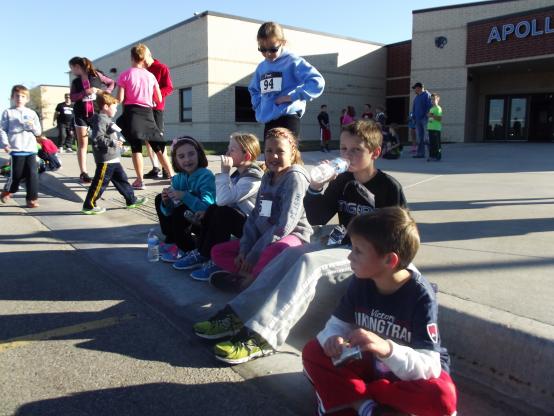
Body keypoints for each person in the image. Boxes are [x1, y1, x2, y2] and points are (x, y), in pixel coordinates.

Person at [193, 120, 407, 365]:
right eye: (343, 149)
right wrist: (315, 187)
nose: (347, 155)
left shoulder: (388, 187)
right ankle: (236, 314)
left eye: (356, 150)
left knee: (307, 262)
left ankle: (263, 336)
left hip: (367, 256)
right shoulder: (343, 181)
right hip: (343, 247)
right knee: (287, 256)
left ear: (375, 153)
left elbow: (400, 236)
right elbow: (316, 217)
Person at [302, 208, 458, 416]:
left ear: (389, 260)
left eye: (358, 251)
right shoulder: (361, 281)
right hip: (369, 364)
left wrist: (387, 349)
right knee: (313, 351)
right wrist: (334, 338)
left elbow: (430, 366)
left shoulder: (420, 296)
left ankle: (353, 397)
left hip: (403, 376)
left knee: (442, 395)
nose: (350, 256)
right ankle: (367, 407)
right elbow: (336, 325)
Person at [208, 127, 312, 292]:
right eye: (269, 151)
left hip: (292, 236)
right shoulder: (267, 177)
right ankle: (256, 275)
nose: (274, 156)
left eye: (280, 151)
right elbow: (256, 216)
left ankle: (246, 284)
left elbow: (285, 225)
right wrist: (245, 249)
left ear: (292, 153)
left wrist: (254, 254)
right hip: (264, 238)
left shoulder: (294, 179)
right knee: (217, 252)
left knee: (275, 250)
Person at [169, 132, 264, 279]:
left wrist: (224, 172)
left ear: (246, 156)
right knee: (214, 209)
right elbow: (223, 201)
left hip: (253, 228)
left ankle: (213, 259)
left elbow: (223, 200)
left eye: (232, 150)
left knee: (221, 212)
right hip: (244, 221)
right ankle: (202, 252)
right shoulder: (238, 174)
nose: (227, 153)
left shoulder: (253, 178)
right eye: (228, 148)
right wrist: (208, 213)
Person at [248, 22, 325, 141]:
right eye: (262, 49)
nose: (268, 53)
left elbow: (317, 82)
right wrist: (259, 106)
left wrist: (291, 97)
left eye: (273, 49)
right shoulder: (261, 67)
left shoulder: (292, 61)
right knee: (270, 152)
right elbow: (253, 89)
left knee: (286, 152)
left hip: (288, 117)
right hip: (269, 119)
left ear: (282, 43)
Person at [81, 93, 148, 215]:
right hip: (106, 159)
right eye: (114, 107)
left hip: (113, 158)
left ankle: (131, 200)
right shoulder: (101, 119)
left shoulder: (106, 119)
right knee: (99, 183)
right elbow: (97, 138)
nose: (116, 110)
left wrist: (118, 145)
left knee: (122, 180)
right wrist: (112, 142)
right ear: (106, 106)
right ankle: (89, 205)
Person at [116, 43, 171, 190]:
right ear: (143, 58)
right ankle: (172, 176)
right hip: (148, 113)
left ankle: (140, 181)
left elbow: (120, 99)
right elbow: (159, 99)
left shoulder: (125, 75)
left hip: (132, 113)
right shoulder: (150, 76)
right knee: (158, 146)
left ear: (132, 57)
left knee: (136, 148)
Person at [155, 137, 215, 259]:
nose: (187, 159)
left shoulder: (206, 176)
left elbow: (208, 208)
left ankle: (186, 248)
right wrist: (167, 202)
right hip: (187, 219)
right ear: (176, 160)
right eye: (181, 156)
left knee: (181, 211)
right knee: (159, 199)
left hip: (204, 220)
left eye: (191, 154)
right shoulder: (178, 178)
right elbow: (168, 212)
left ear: (199, 154)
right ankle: (172, 239)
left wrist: (184, 196)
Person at [69, 57, 115, 183]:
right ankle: (83, 172)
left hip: (96, 114)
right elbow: (72, 97)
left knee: (100, 142)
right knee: (82, 144)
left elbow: (112, 83)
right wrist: (85, 92)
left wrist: (104, 92)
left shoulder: (97, 75)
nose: (72, 71)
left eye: (72, 68)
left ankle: (103, 170)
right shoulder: (76, 82)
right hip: (81, 115)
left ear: (78, 66)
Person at [0, 85, 42, 208]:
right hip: (16, 148)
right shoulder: (8, 112)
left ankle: (31, 199)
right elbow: (2, 130)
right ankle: (8, 190)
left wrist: (32, 126)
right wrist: (5, 143)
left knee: (32, 175)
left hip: (30, 149)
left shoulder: (31, 113)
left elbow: (38, 132)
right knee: (16, 176)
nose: (19, 98)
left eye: (23, 96)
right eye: (17, 96)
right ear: (12, 97)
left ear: (27, 99)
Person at [143, 45, 174, 180]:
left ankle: (166, 169)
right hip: (144, 108)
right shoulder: (142, 70)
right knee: (147, 139)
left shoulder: (161, 68)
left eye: (143, 59)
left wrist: (156, 94)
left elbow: (169, 87)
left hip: (157, 108)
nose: (142, 63)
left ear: (148, 55)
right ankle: (155, 168)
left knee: (158, 138)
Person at [411, 82, 432, 159]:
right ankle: (420, 153)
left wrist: (426, 116)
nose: (414, 90)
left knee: (427, 138)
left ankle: (432, 154)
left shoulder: (427, 95)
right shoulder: (416, 97)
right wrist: (413, 116)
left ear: (419, 88)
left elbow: (429, 107)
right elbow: (414, 108)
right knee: (419, 138)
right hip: (417, 120)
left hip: (425, 120)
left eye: (415, 88)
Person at [427, 93, 443, 161]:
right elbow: (431, 118)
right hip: (430, 128)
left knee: (436, 143)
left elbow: (439, 119)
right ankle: (432, 156)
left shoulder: (438, 108)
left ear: (438, 100)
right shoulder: (431, 108)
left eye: (434, 99)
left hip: (436, 129)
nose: (432, 101)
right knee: (431, 143)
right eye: (431, 99)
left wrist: (432, 116)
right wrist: (429, 116)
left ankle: (438, 155)